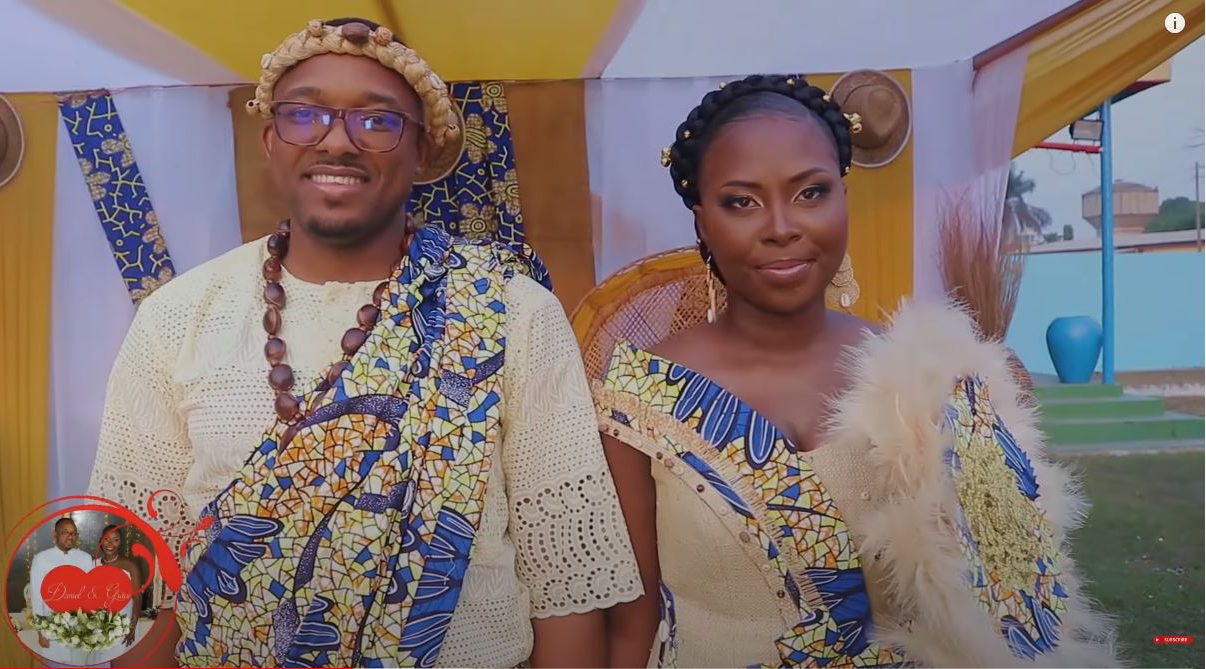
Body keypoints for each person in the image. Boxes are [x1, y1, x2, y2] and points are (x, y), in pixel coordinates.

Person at [86, 16, 640, 668]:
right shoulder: (177, 318)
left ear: (422, 150)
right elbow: (134, 577)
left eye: (377, 121)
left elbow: (566, 584)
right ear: (269, 139)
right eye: (304, 115)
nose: (336, 142)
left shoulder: (512, 313)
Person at [596, 74, 1119, 667]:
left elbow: (1016, 605)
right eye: (741, 201)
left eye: (810, 192)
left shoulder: (924, 376)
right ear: (701, 224)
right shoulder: (634, 394)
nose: (781, 226)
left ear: (843, 198)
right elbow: (630, 626)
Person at [29, 518, 94, 650]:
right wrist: (41, 631)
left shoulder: (85, 558)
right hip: (52, 628)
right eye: (65, 532)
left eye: (74, 533)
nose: (70, 536)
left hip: (79, 628)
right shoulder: (41, 559)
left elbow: (90, 594)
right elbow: (36, 597)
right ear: (55, 535)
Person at [96, 524, 143, 647]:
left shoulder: (130, 565)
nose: (110, 543)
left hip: (124, 621)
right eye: (106, 539)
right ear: (101, 541)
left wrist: (132, 626)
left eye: (115, 540)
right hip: (100, 623)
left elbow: (138, 598)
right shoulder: (94, 564)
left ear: (120, 543)